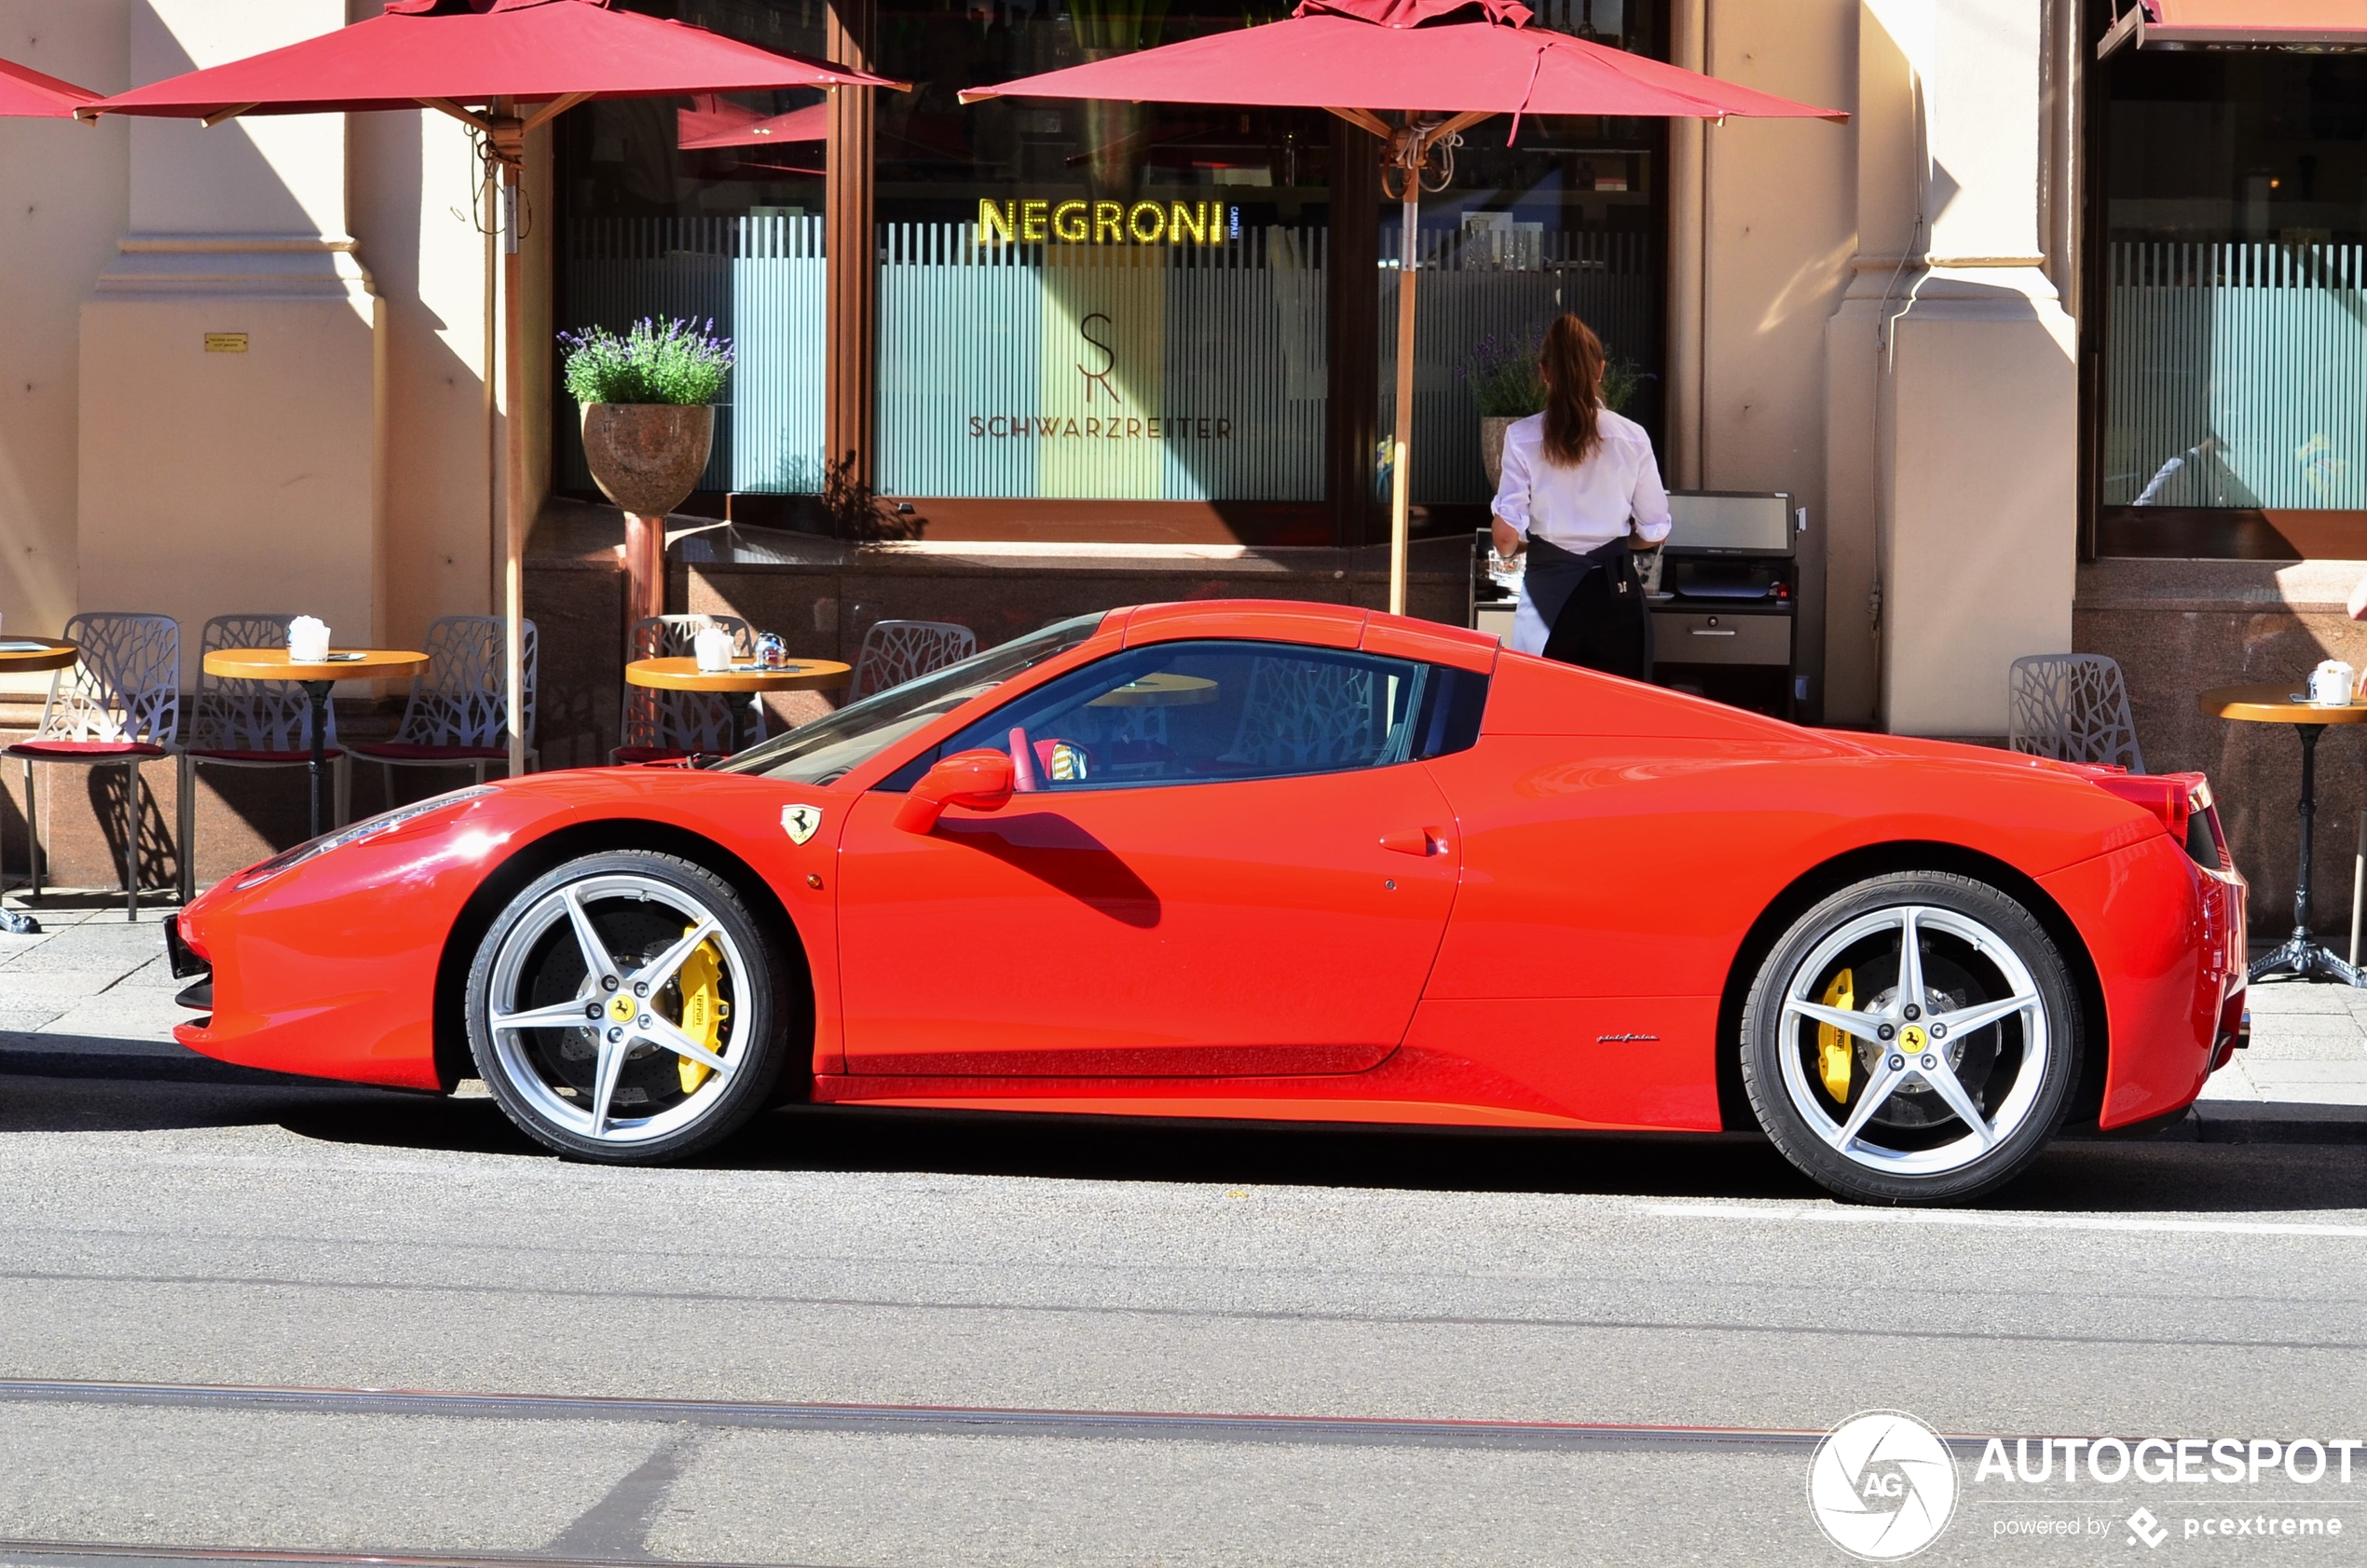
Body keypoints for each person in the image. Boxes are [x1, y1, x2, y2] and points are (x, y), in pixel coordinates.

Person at [1489, 314, 1672, 676]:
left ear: (1545, 372)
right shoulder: (1632, 436)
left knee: (1545, 714)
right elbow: (1655, 530)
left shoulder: (1522, 436)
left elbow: (1506, 536)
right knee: (1616, 717)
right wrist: (1621, 542)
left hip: (1548, 598)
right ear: (1600, 370)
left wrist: (1520, 548)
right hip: (1616, 593)